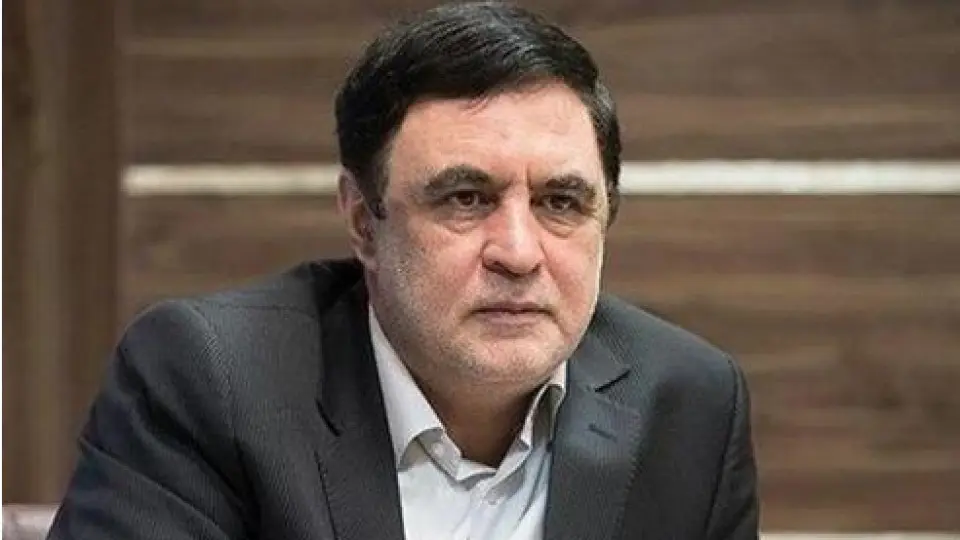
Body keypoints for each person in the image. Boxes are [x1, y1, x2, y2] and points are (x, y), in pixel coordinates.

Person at [48, 2, 759, 539]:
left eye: (561, 202)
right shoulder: (213, 381)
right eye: (465, 198)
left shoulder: (688, 407)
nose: (518, 252)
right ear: (365, 221)